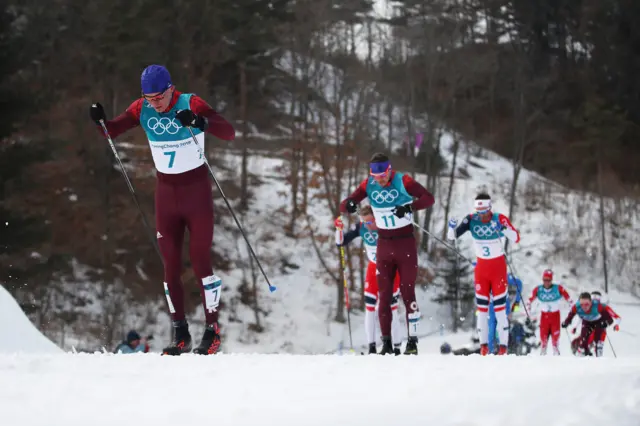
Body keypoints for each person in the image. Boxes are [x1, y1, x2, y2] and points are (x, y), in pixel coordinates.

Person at [89, 65, 236, 355]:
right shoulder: (141, 108)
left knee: (201, 262)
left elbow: (229, 132)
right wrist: (100, 121)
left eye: (159, 97)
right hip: (166, 197)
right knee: (170, 267)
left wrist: (198, 122)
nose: (154, 103)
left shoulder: (190, 103)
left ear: (171, 89)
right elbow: (112, 131)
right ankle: (181, 333)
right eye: (149, 98)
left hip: (197, 195)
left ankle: (212, 331)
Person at [339, 153, 435, 355]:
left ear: (389, 170)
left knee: (408, 293)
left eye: (383, 175)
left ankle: (412, 342)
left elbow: (428, 198)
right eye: (376, 176)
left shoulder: (403, 180)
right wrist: (348, 204)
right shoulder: (369, 184)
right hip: (384, 246)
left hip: (405, 244)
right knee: (384, 296)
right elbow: (345, 204)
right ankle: (387, 344)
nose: (380, 180)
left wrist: (409, 207)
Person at [447, 193, 520, 355]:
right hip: (481, 270)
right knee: (482, 310)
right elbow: (452, 237)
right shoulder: (471, 219)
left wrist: (504, 229)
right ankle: (484, 347)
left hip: (498, 269)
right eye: (479, 212)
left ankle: (503, 347)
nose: (482, 216)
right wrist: (451, 227)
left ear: (490, 208)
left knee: (500, 310)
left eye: (484, 212)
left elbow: (516, 238)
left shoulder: (499, 218)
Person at [335, 205, 403, 355]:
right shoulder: (361, 227)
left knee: (391, 308)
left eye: (370, 221)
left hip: (390, 269)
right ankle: (372, 348)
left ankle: (396, 347)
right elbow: (341, 242)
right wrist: (339, 230)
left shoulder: (386, 226)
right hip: (373, 268)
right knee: (370, 308)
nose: (368, 225)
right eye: (364, 222)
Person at [526, 269, 572, 355]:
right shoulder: (538, 289)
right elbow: (529, 301)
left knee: (555, 339)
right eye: (544, 280)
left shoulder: (558, 288)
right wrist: (529, 314)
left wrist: (570, 315)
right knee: (543, 338)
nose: (546, 282)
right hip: (544, 316)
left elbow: (570, 301)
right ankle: (543, 355)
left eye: (548, 280)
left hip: (555, 316)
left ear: (551, 280)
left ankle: (556, 354)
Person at [562, 292, 614, 357]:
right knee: (584, 337)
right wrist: (566, 322)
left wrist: (606, 323)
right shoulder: (576, 307)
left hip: (598, 322)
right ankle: (584, 353)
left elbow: (610, 320)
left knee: (597, 339)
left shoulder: (598, 306)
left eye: (586, 304)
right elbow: (570, 316)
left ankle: (598, 355)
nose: (584, 307)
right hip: (587, 322)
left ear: (591, 302)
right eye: (582, 304)